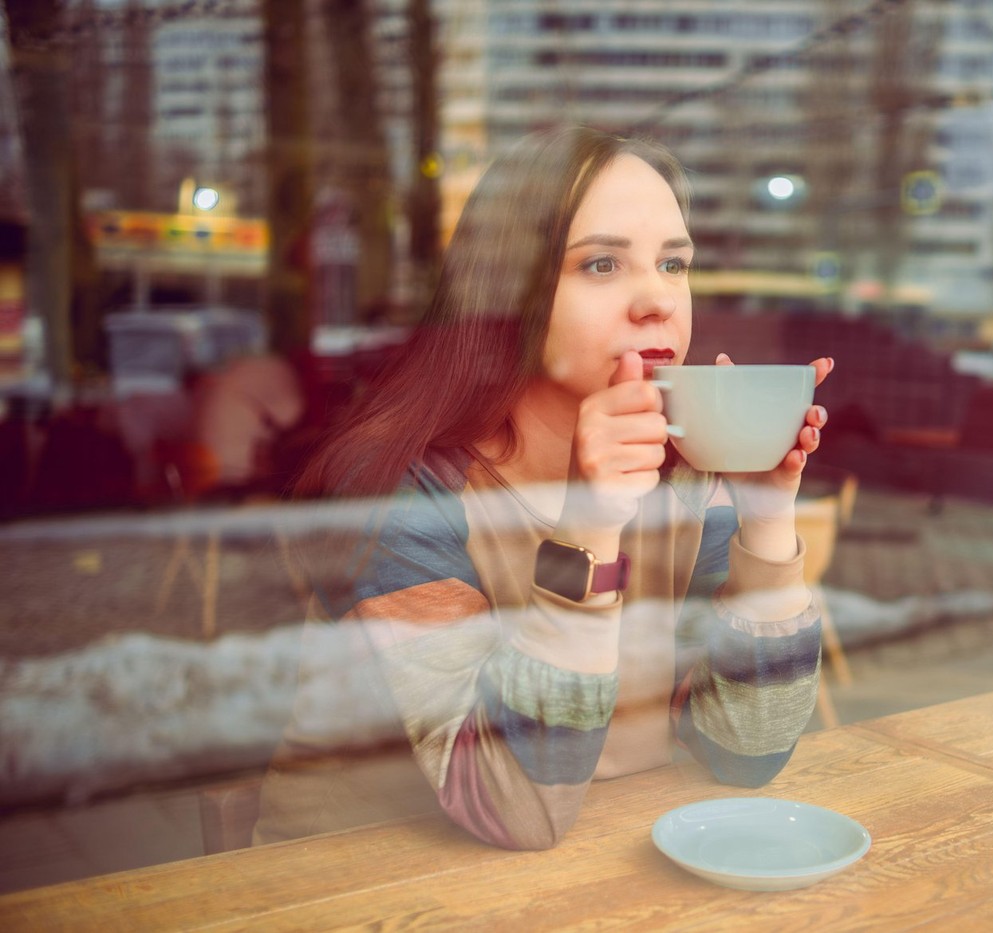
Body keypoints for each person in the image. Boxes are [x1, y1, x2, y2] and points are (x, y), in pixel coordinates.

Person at [255, 126, 834, 851]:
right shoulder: (404, 490)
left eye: (674, 264)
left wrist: (767, 519)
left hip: (587, 870)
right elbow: (511, 807)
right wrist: (591, 525)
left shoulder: (682, 478)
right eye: (601, 263)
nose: (658, 300)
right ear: (505, 290)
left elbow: (745, 751)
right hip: (360, 885)